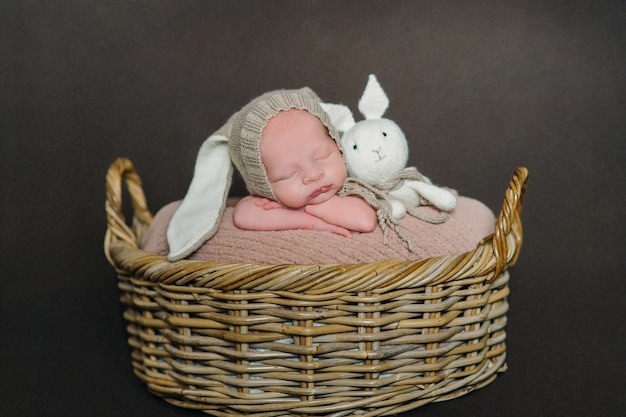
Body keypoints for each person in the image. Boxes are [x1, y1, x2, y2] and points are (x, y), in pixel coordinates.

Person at [233, 108, 377, 237]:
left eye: (322, 156)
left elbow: (365, 220)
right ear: (263, 185)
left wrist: (304, 208)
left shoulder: (352, 187)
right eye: (289, 174)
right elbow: (243, 214)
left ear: (337, 145)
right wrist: (310, 222)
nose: (313, 175)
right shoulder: (272, 198)